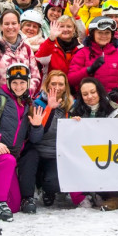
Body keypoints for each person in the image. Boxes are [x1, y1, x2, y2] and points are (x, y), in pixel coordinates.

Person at [0, 63, 43, 221]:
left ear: (27, 83)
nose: (18, 86)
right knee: (8, 160)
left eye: (22, 83)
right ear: (9, 83)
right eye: (15, 83)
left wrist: (37, 126)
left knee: (14, 205)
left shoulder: (28, 105)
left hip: (9, 160)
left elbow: (34, 139)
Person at [68, 77, 118, 208]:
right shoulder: (75, 110)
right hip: (85, 152)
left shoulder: (115, 109)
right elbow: (69, 138)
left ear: (99, 91)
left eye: (93, 92)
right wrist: (72, 124)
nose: (90, 96)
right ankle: (85, 195)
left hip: (109, 152)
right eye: (85, 94)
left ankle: (117, 196)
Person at [22, 70, 73, 210]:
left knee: (54, 183)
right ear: (47, 85)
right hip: (38, 151)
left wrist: (76, 124)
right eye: (53, 83)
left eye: (61, 84)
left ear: (66, 86)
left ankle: (48, 189)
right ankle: (31, 192)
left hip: (55, 153)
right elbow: (35, 137)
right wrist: (49, 108)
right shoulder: (37, 104)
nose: (57, 87)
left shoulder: (71, 105)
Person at [0, 11, 42, 112]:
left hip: (19, 104)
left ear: (19, 25)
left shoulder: (26, 47)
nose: (10, 27)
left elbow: (35, 76)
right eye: (7, 24)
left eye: (14, 23)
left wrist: (26, 92)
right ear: (1, 26)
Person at [68, 17, 118, 103]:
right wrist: (89, 69)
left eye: (107, 33)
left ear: (112, 35)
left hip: (111, 103)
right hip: (87, 104)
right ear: (92, 34)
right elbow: (71, 79)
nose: (104, 36)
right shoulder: (82, 53)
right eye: (100, 33)